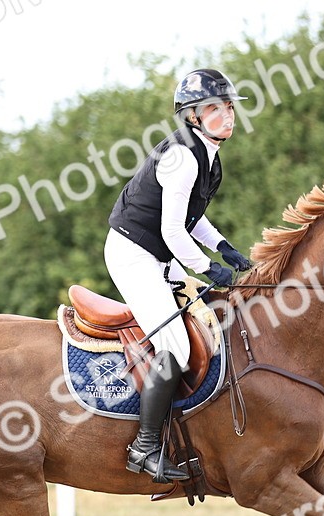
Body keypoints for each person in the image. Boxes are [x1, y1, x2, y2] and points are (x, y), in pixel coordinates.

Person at [105, 68, 254, 483]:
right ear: (192, 116)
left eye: (228, 106)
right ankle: (145, 447)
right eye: (215, 108)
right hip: (134, 253)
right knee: (177, 345)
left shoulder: (209, 155)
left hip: (160, 255)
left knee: (204, 330)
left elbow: (193, 217)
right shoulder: (182, 157)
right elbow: (172, 230)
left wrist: (222, 246)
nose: (227, 115)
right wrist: (208, 268)